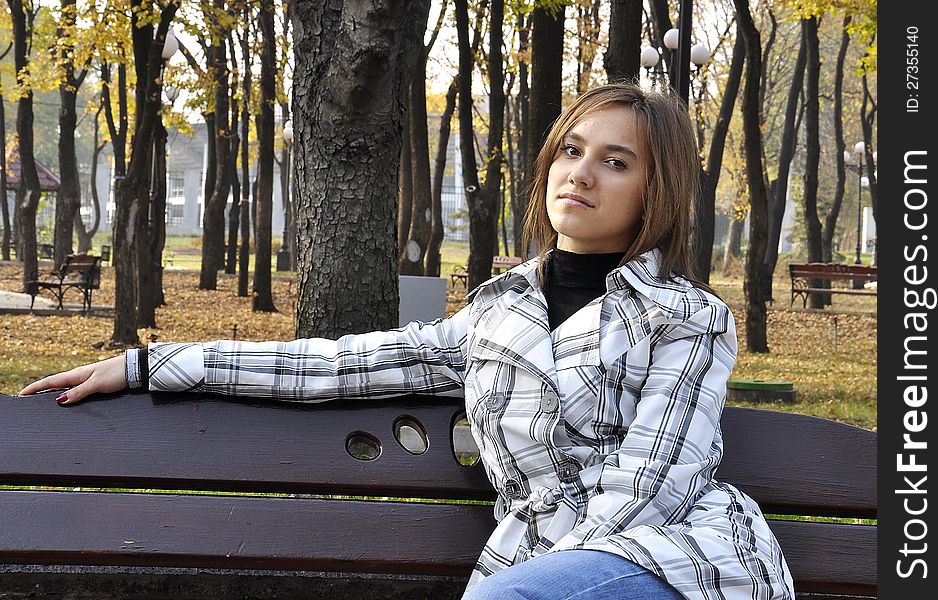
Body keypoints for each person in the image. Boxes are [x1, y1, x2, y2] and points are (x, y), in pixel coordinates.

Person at [20, 83, 794, 600]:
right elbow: (334, 364)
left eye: (614, 161)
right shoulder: (497, 312)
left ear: (652, 192)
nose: (580, 173)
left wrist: (530, 582)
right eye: (570, 149)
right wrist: (149, 362)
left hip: (669, 560)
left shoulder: (686, 316)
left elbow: (649, 487)